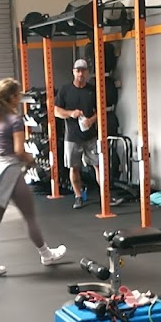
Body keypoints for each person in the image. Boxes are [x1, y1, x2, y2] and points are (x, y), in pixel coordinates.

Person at [0, 77, 67, 277]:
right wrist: (31, 160)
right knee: (29, 217)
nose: (19, 98)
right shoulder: (15, 120)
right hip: (11, 171)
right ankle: (46, 255)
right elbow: (19, 150)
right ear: (12, 97)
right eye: (18, 95)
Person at [54, 59, 101, 209]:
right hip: (72, 137)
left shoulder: (93, 90)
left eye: (83, 71)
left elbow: (100, 111)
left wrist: (91, 120)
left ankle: (105, 195)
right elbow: (56, 111)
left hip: (91, 136)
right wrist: (70, 113)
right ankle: (78, 196)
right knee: (74, 167)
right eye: (78, 71)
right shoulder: (65, 90)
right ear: (73, 72)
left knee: (98, 165)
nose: (80, 74)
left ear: (87, 72)